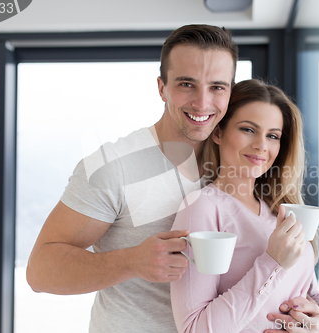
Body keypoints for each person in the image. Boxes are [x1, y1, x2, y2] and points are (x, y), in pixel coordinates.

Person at [26, 24, 238, 333]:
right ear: (161, 87)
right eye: (186, 84)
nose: (203, 103)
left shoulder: (239, 162)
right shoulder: (113, 166)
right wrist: (131, 262)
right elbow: (40, 272)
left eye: (217, 87)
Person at [170, 79, 319, 333]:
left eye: (273, 135)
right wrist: (272, 261)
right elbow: (195, 328)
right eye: (248, 129)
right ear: (218, 132)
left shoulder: (281, 210)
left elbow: (310, 295)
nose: (262, 144)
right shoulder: (203, 208)